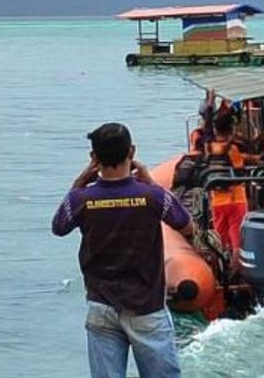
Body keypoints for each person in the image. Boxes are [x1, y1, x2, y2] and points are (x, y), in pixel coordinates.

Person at [51, 123, 194, 378]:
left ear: (94, 158)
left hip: (102, 307)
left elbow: (59, 226)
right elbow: (186, 225)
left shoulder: (81, 200)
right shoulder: (152, 197)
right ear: (132, 151)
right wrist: (152, 183)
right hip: (146, 308)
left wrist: (79, 182)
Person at [205, 113, 253, 257]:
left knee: (220, 239)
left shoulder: (209, 147)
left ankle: (220, 269)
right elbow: (239, 170)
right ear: (231, 129)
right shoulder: (232, 149)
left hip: (218, 201)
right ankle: (237, 270)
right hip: (236, 199)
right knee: (237, 241)